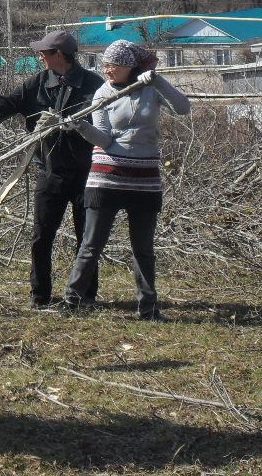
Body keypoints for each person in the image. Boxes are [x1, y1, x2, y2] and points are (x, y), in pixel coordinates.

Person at [0, 30, 104, 309]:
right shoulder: (38, 83)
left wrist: (73, 125)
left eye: (44, 52)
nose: (40, 56)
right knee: (41, 237)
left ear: (59, 55)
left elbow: (107, 126)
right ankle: (40, 296)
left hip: (87, 174)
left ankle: (84, 296)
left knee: (87, 239)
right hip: (50, 173)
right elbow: (4, 105)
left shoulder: (94, 85)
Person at [62, 39, 190, 321]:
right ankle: (71, 301)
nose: (107, 69)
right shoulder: (102, 94)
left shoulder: (149, 88)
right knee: (91, 243)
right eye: (105, 64)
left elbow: (182, 108)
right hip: (106, 176)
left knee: (143, 248)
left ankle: (148, 308)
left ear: (129, 66)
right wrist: (80, 127)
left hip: (144, 178)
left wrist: (157, 81)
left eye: (114, 65)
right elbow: (105, 139)